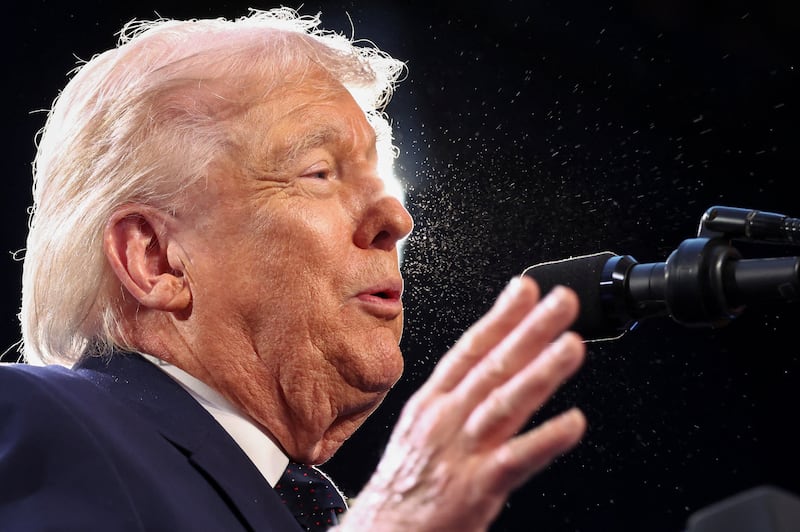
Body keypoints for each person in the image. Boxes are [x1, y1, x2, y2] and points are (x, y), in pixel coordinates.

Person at [0, 7, 587, 531]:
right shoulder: (34, 418)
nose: (395, 218)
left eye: (379, 180)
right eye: (319, 173)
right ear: (155, 259)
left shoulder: (301, 504)